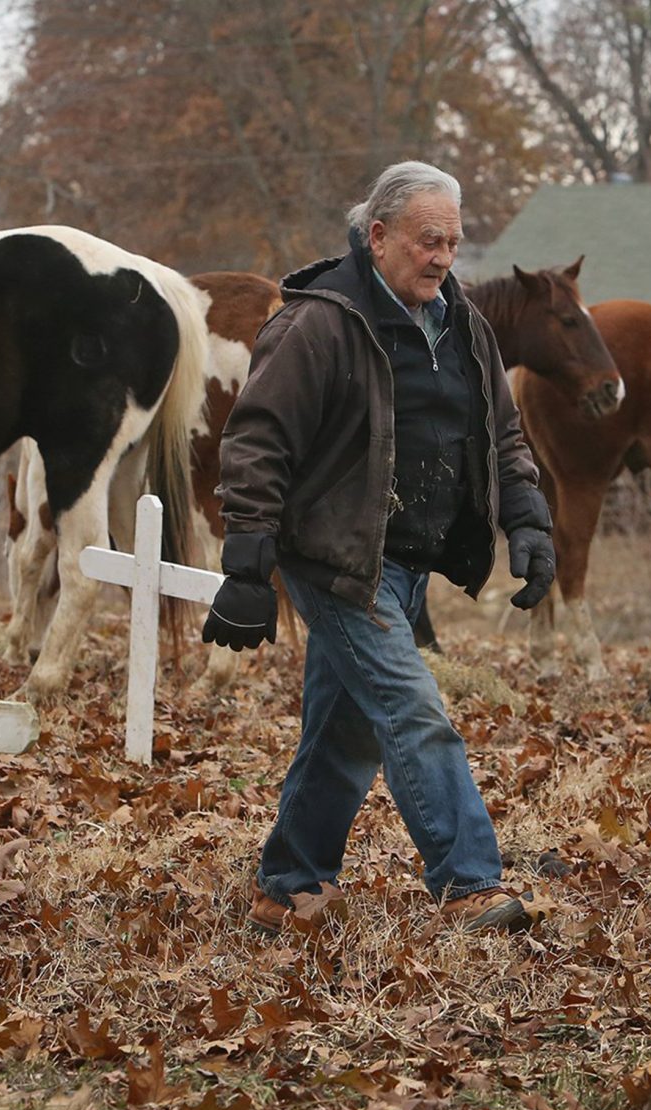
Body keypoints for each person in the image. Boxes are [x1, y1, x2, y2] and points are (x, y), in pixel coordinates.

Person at [206, 161, 556, 934]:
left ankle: (288, 881)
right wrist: (247, 562)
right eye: (428, 241)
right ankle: (468, 880)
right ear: (378, 237)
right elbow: (257, 441)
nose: (441, 257)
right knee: (412, 708)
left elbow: (501, 430)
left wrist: (527, 521)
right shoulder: (319, 322)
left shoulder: (462, 321)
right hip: (335, 559)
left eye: (453, 244)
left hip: (409, 559)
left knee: (348, 725)